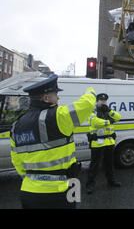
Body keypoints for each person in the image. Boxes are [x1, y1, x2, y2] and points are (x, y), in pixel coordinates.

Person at [10, 75, 97, 209]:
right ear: (46, 98)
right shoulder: (58, 116)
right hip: (61, 190)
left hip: (29, 191)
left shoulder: (16, 125)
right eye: (56, 94)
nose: (58, 98)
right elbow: (88, 104)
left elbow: (16, 160)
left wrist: (33, 178)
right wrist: (90, 91)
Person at [86, 93, 122, 194]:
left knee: (109, 164)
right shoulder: (93, 110)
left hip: (109, 142)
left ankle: (111, 181)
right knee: (94, 165)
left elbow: (118, 117)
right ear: (97, 101)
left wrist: (110, 110)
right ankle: (90, 185)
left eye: (105, 100)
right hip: (97, 142)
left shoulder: (107, 110)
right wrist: (108, 121)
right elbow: (95, 122)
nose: (103, 102)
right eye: (101, 100)